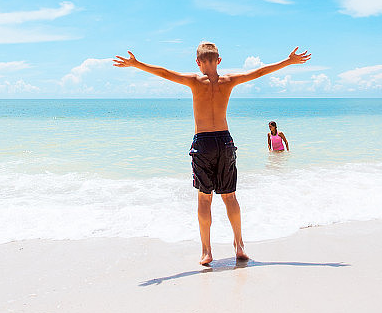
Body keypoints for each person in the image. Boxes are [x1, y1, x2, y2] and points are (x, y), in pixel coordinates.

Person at [114, 42, 311, 265]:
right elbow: (258, 72)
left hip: (203, 143)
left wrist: (136, 63)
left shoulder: (194, 81)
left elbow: (164, 73)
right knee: (230, 197)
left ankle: (206, 251)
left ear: (198, 62)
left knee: (204, 198)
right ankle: (239, 245)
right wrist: (288, 61)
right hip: (225, 142)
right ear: (219, 61)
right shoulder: (228, 81)